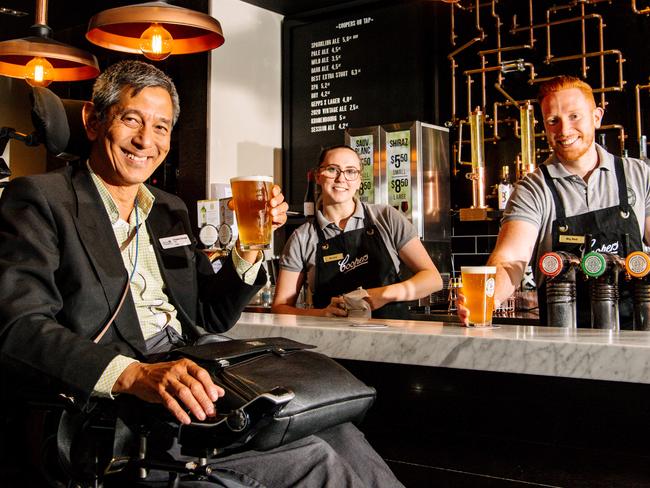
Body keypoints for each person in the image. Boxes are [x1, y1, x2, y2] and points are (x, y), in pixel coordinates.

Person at [0, 60, 404, 487]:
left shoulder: (168, 209)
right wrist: (133, 374)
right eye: (131, 119)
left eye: (161, 127)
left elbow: (210, 316)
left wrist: (249, 247)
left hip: (200, 370)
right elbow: (18, 327)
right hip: (123, 407)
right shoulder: (41, 199)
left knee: (341, 433)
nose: (145, 140)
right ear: (93, 120)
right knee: (316, 461)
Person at [457, 75, 650, 328]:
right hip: (563, 344)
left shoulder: (639, 174)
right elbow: (510, 259)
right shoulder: (533, 188)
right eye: (553, 121)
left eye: (574, 116)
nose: (564, 130)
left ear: (597, 117)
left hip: (638, 335)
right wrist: (488, 298)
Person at [272, 144, 443, 319]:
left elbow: (433, 279)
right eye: (332, 169)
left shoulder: (386, 217)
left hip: (393, 340)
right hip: (330, 342)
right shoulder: (302, 238)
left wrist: (383, 294)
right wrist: (321, 313)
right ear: (318, 176)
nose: (341, 178)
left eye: (351, 171)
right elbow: (280, 308)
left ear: (359, 180)